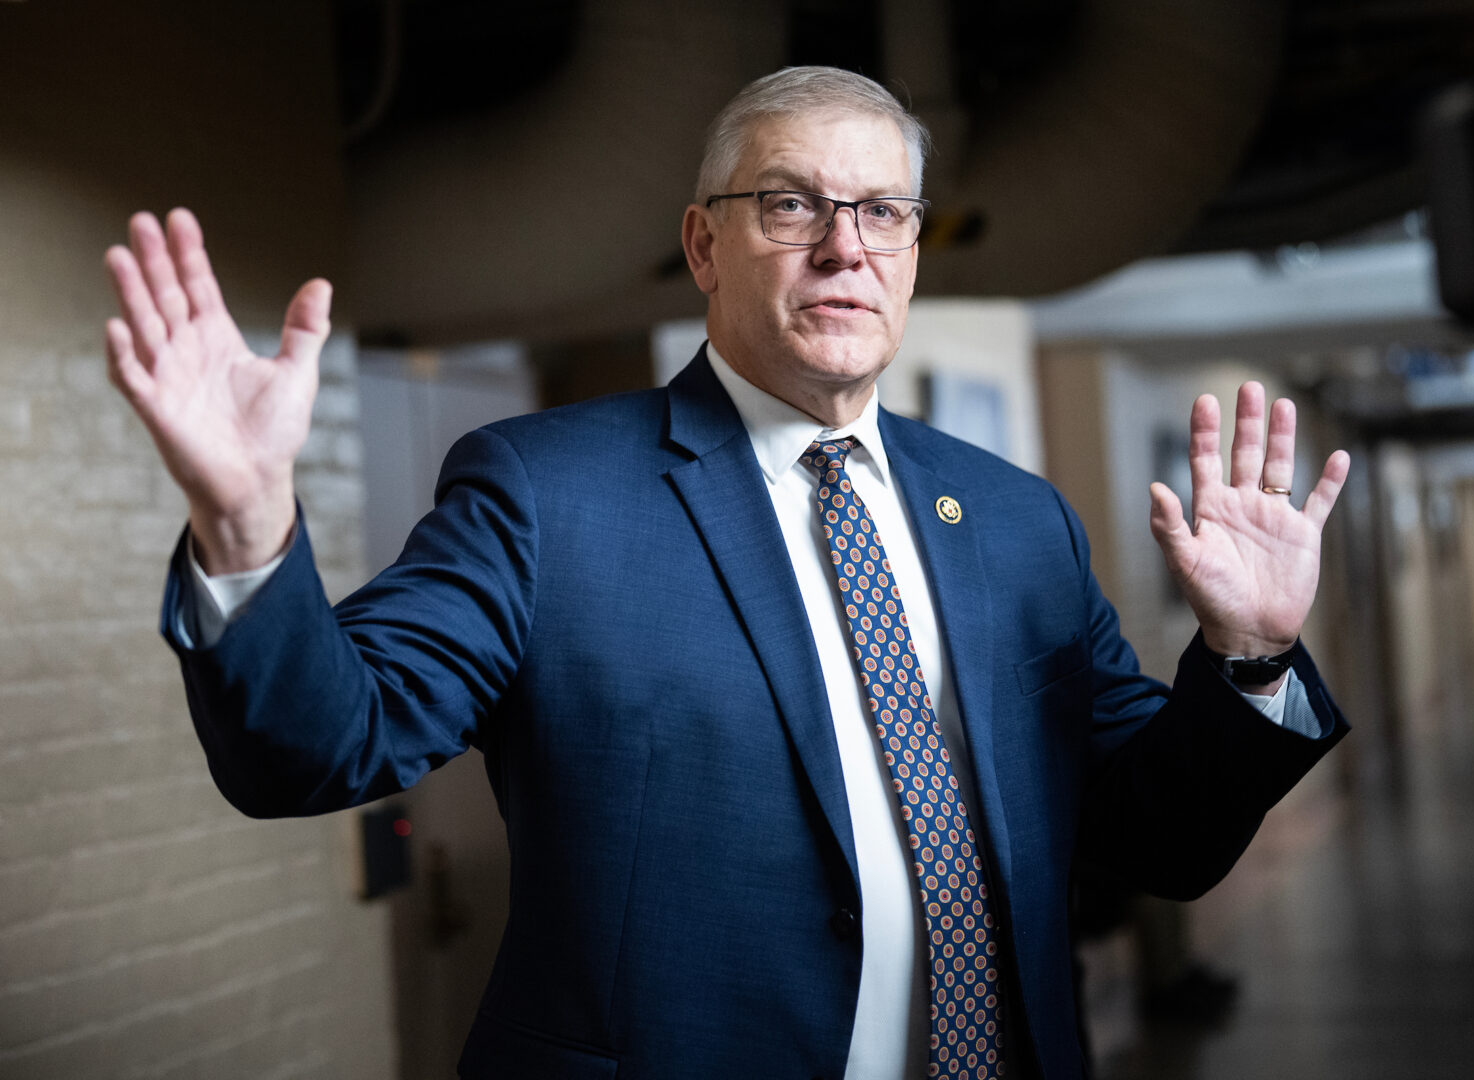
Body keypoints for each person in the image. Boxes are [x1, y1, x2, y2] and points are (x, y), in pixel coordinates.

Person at [103, 67, 1351, 1080]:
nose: (843, 247)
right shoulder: (546, 493)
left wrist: (1247, 660)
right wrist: (251, 528)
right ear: (704, 245)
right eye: (791, 205)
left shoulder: (1018, 520)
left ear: (914, 247)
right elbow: (322, 746)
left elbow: (1159, 837)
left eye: (882, 212)